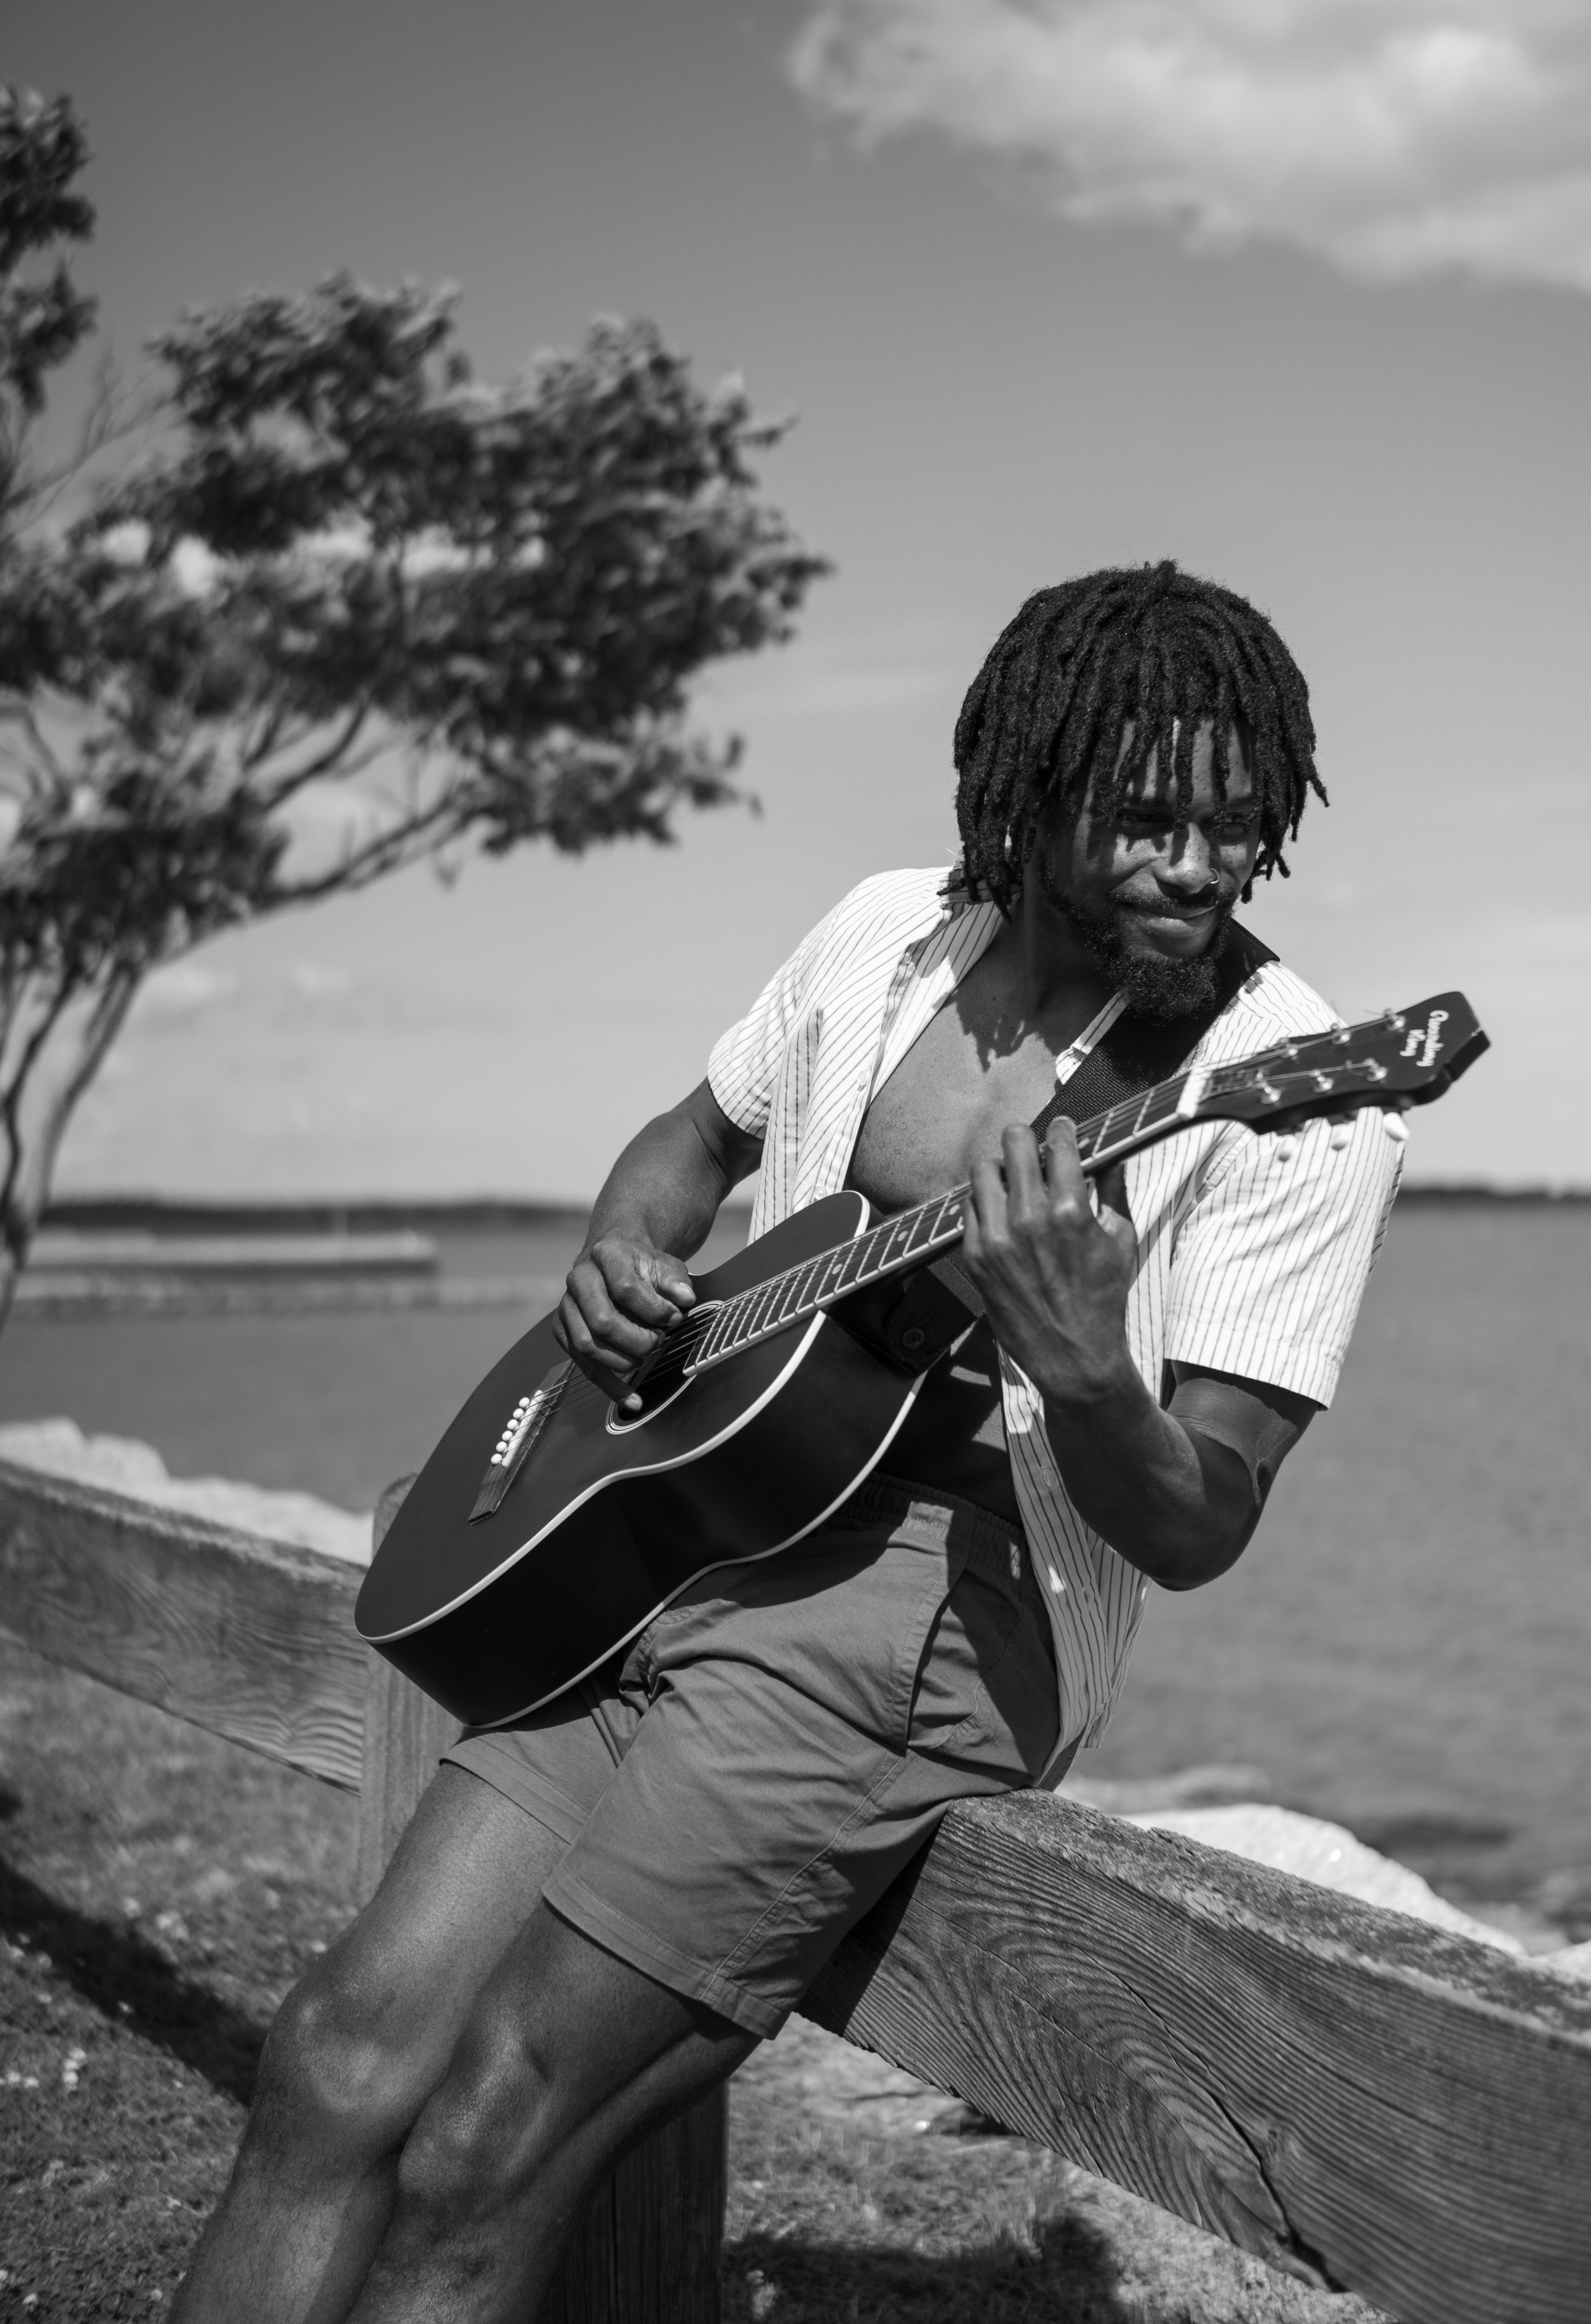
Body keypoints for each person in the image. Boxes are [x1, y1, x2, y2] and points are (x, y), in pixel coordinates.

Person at [173, 561, 1403, 2322]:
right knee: (333, 2060)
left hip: (924, 1612)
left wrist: (1082, 1368)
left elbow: (1202, 1518)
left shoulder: (1290, 1087)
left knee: (488, 2137)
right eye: (1147, 821)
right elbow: (691, 1143)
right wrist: (621, 1258)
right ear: (1031, 786)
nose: (1197, 866)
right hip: (684, 1516)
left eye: (1236, 827)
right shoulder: (884, 935)